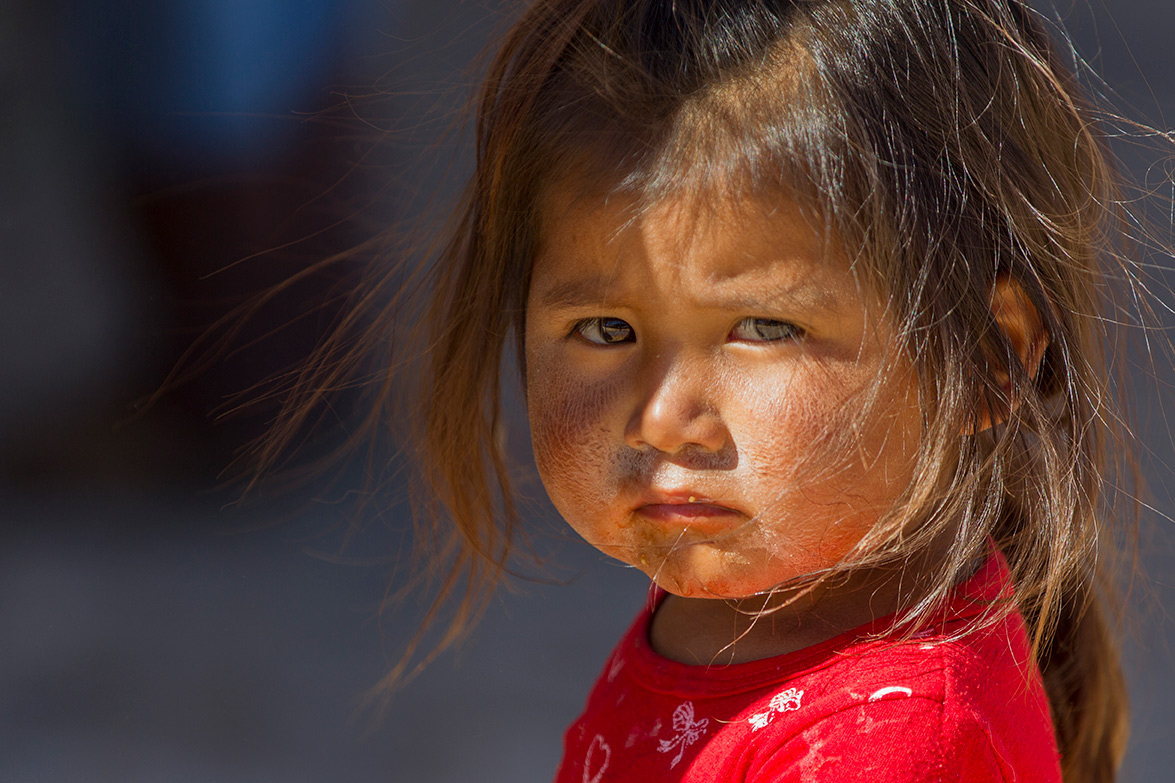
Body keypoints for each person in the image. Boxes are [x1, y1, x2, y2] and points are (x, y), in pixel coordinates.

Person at [264, 1, 1156, 780]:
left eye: (763, 327)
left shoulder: (888, 745)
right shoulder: (748, 600)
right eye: (605, 330)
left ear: (987, 356)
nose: (661, 419)